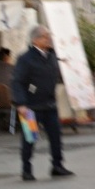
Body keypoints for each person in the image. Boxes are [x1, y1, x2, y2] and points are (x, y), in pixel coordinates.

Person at [11, 25, 74, 181]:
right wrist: (21, 103)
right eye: (46, 36)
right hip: (31, 106)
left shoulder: (52, 56)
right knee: (29, 138)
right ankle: (26, 169)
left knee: (55, 136)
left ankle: (57, 165)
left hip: (50, 104)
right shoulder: (25, 59)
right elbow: (17, 81)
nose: (49, 39)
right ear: (36, 40)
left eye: (49, 36)